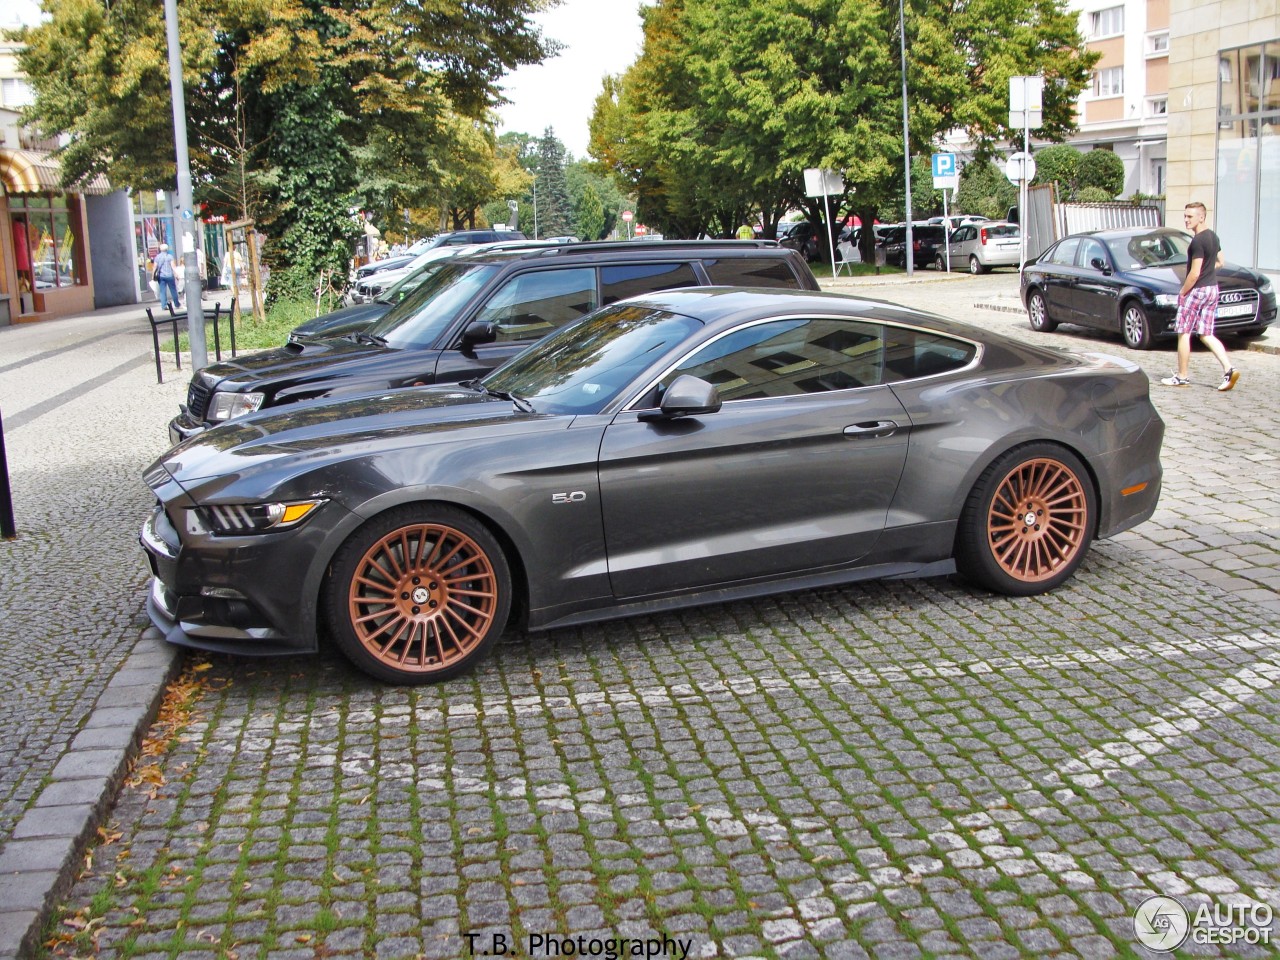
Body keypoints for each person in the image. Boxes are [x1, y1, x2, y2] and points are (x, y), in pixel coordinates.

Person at [1160, 202, 1238, 392]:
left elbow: (1194, 274)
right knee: (1206, 333)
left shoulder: (1198, 242)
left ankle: (1182, 376)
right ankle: (1229, 369)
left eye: (1190, 216)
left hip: (1197, 290)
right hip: (1212, 288)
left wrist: (1182, 292)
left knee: (1184, 332)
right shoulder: (1213, 236)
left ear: (1201, 217)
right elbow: (1220, 261)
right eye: (1185, 216)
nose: (1186, 220)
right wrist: (1207, 272)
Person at [153, 243, 180, 311]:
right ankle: (177, 304)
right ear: (167, 249)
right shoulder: (170, 256)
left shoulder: (157, 257)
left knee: (162, 291)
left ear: (160, 249)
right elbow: (173, 266)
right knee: (173, 290)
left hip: (161, 276)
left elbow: (155, 267)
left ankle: (164, 306)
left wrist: (153, 275)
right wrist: (176, 274)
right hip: (170, 275)